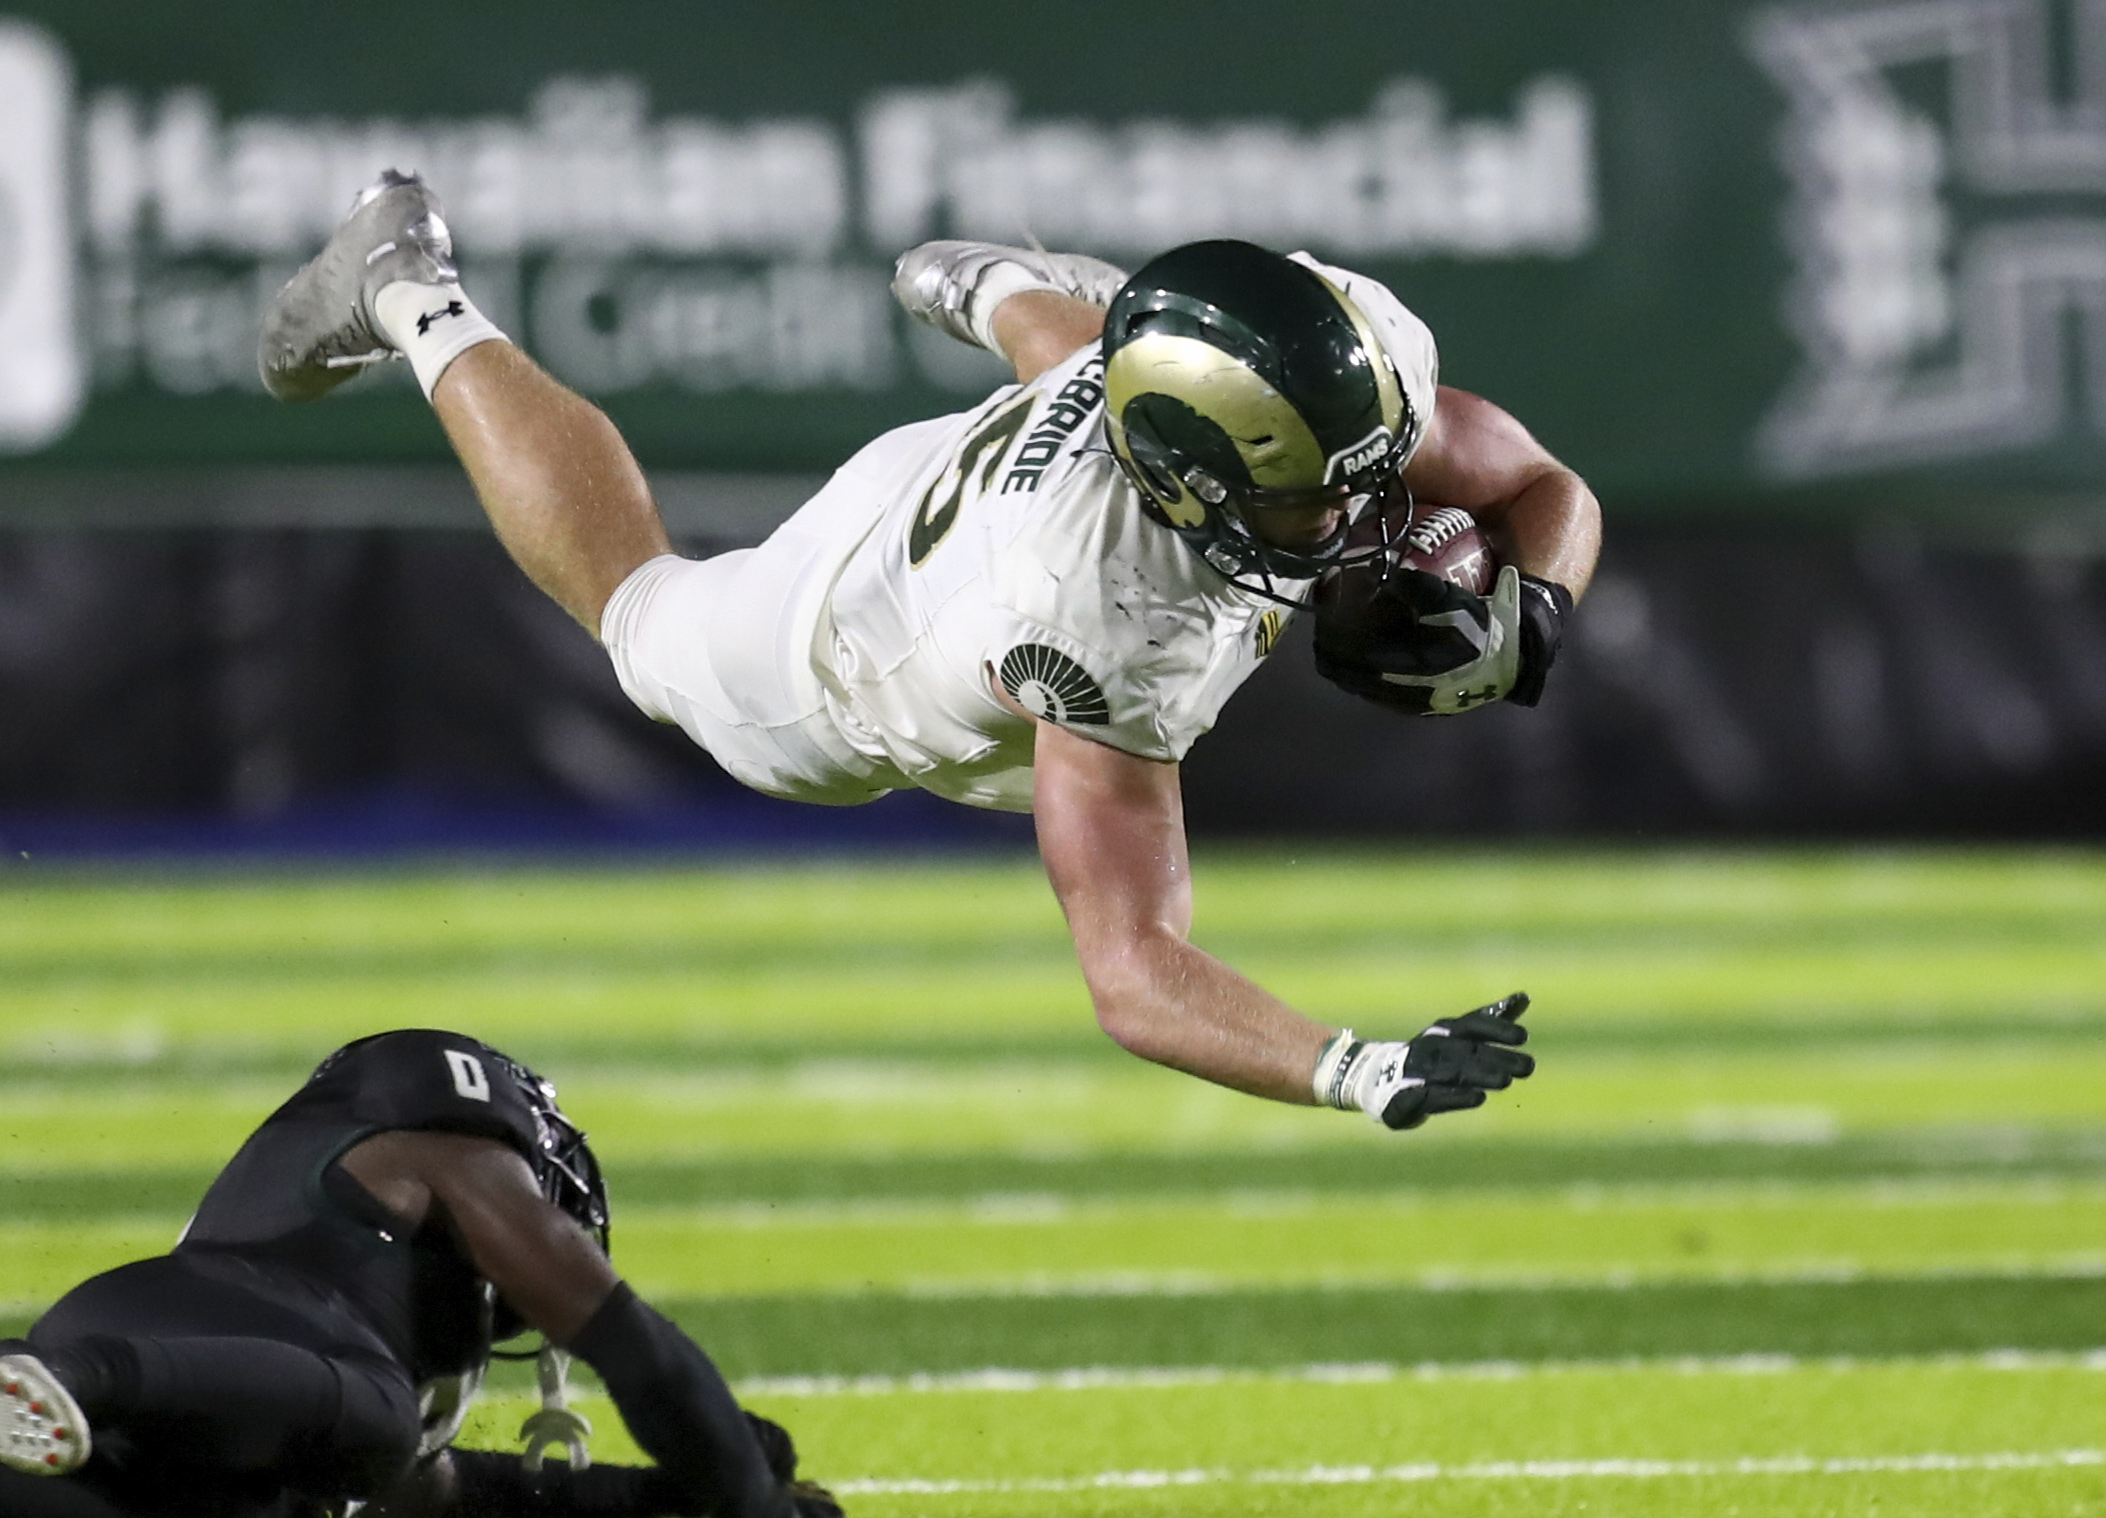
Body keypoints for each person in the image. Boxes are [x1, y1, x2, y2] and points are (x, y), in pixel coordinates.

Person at [261, 177, 1599, 1130]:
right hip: (845, 639)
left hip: (1005, 454)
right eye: (1325, 499)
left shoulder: (1344, 363)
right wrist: (1351, 1066)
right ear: (1200, 490)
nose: (1369, 517)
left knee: (1078, 362)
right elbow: (1132, 966)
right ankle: (412, 290)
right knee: (640, 611)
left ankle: (1004, 289)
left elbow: (1545, 482)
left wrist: (1536, 607)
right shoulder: (1097, 611)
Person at [0, 1030, 846, 1518]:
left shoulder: (342, 1226)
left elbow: (429, 1493)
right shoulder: (450, 1155)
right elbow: (633, 1346)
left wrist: (665, 1494)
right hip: (146, 1353)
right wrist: (753, 1500)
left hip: (161, 1364)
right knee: (362, 1424)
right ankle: (2, 1376)